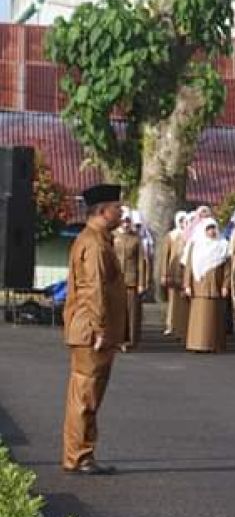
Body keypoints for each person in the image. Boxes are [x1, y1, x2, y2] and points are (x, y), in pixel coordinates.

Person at [61, 183, 126, 475]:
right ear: (102, 211)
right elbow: (94, 289)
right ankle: (79, 456)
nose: (121, 213)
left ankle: (81, 453)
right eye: (117, 207)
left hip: (89, 328)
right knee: (85, 395)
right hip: (90, 330)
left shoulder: (96, 239)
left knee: (87, 395)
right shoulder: (95, 244)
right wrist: (101, 329)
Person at [184, 218, 232, 353]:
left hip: (215, 284)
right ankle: (196, 343)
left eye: (213, 228)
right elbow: (189, 266)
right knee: (198, 316)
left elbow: (228, 269)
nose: (211, 232)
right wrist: (187, 284)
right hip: (199, 285)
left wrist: (225, 286)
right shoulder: (196, 245)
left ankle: (213, 344)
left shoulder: (223, 245)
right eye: (208, 229)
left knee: (214, 316)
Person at [112, 208, 148, 351]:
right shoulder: (113, 236)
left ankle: (129, 341)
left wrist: (141, 283)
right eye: (123, 221)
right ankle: (116, 339)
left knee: (131, 311)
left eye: (128, 221)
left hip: (131, 279)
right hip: (115, 279)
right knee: (117, 311)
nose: (125, 224)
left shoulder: (136, 238)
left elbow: (141, 261)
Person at [162, 211, 190, 338]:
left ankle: (181, 324)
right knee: (173, 300)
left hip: (185, 271)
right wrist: (164, 273)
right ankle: (170, 324)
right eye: (181, 220)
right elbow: (165, 256)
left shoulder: (190, 236)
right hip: (173, 271)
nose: (183, 223)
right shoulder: (171, 235)